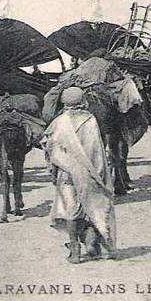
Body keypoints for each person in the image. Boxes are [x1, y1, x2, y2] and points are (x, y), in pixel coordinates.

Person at [42, 86, 117, 264]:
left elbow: (50, 148)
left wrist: (53, 171)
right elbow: (96, 149)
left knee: (71, 211)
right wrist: (99, 174)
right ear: (83, 101)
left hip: (67, 174)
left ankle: (75, 251)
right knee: (92, 208)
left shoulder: (59, 122)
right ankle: (93, 244)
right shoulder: (90, 120)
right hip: (89, 173)